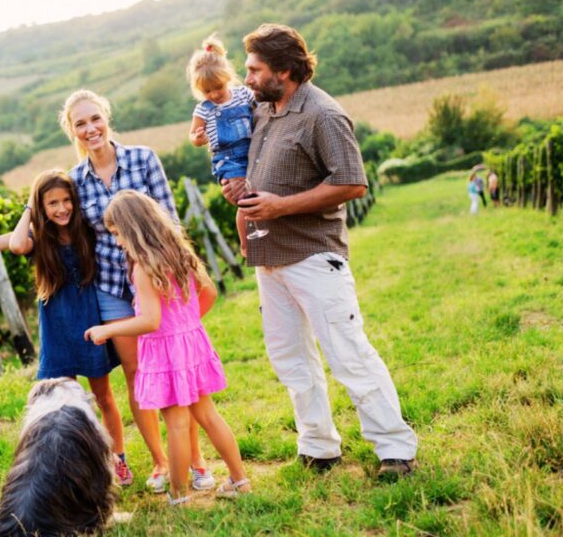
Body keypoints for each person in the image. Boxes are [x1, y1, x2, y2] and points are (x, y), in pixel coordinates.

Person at [226, 24, 418, 478]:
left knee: (347, 353)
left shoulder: (324, 114)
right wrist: (238, 188)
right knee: (291, 358)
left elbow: (352, 182)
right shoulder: (263, 110)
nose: (247, 78)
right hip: (267, 258)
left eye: (254, 69)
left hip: (314, 257)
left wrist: (279, 206)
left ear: (284, 70)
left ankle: (395, 449)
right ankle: (318, 446)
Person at [61, 89, 216, 493]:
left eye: (95, 118)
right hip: (113, 286)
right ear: (72, 131)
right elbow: (51, 221)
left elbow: (169, 219)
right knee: (139, 376)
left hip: (158, 281)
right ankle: (162, 463)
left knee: (178, 374)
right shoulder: (75, 181)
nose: (90, 128)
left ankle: (196, 461)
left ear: (106, 118)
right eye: (80, 123)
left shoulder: (143, 158)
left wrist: (188, 281)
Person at [0, 170, 133, 485]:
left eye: (66, 201)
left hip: (88, 319)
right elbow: (17, 243)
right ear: (41, 207)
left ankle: (117, 459)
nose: (61, 208)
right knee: (60, 402)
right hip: (56, 324)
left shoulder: (84, 230)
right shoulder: (41, 235)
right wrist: (29, 209)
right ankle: (72, 467)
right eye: (52, 203)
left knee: (102, 396)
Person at [84, 190, 252, 505]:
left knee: (175, 423)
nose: (118, 242)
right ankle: (240, 479)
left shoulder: (142, 267)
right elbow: (210, 292)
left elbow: (149, 321)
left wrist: (107, 330)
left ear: (132, 230)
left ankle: (178, 494)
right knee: (209, 415)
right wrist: (186, 323)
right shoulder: (180, 251)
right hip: (192, 343)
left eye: (119, 235)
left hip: (166, 353)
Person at [188, 33, 256, 248]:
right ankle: (246, 244)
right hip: (227, 159)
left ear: (227, 77)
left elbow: (261, 111)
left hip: (252, 150)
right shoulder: (204, 109)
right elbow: (193, 136)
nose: (214, 95)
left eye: (218, 87)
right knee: (244, 198)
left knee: (259, 193)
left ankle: (263, 234)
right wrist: (198, 138)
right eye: (207, 91)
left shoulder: (244, 94)